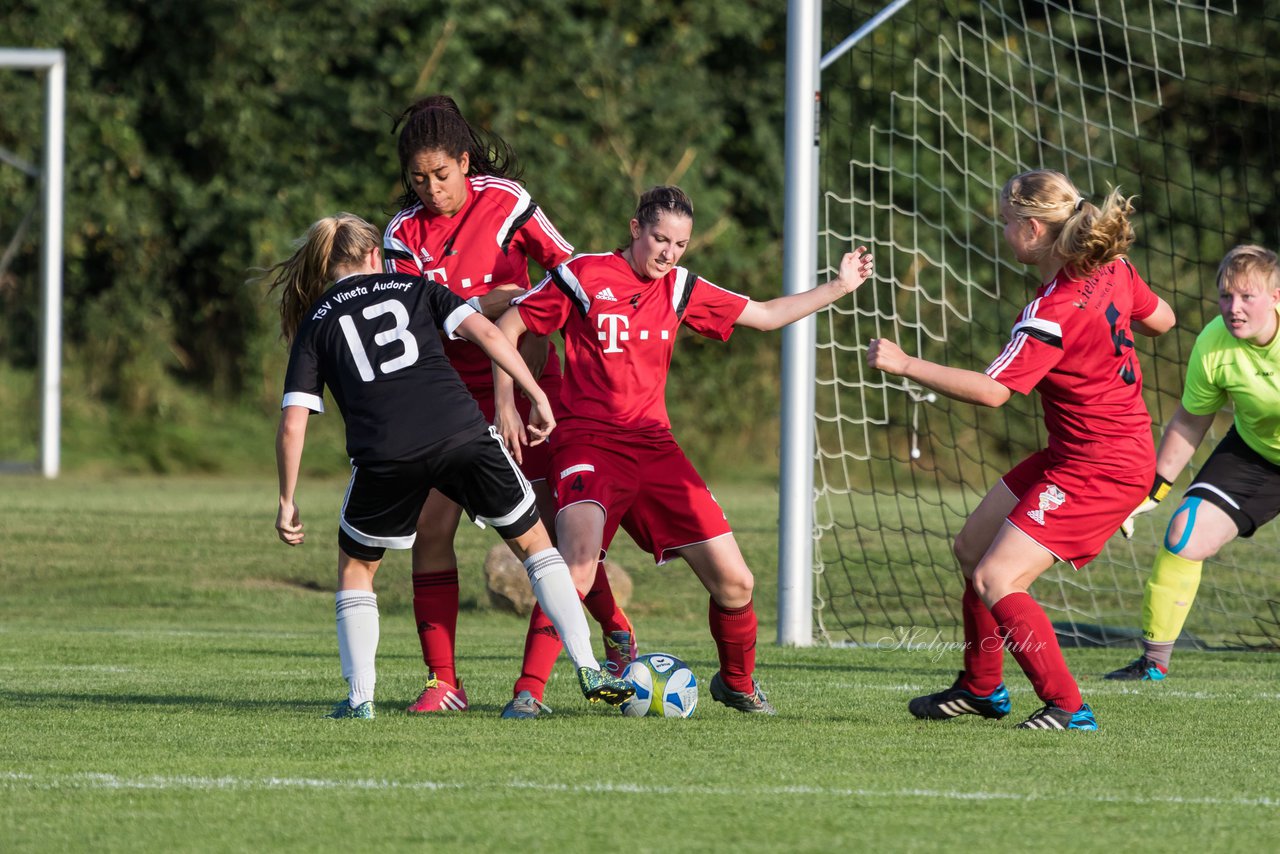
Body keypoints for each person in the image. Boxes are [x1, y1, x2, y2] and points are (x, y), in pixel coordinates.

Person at [493, 185, 876, 715]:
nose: (669, 253)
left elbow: (763, 315)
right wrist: (507, 403)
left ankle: (737, 682)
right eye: (660, 239)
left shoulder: (679, 288)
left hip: (654, 447)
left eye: (680, 244)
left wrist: (838, 285)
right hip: (588, 442)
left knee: (737, 583)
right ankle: (528, 694)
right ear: (635, 230)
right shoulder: (585, 274)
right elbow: (510, 325)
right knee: (577, 567)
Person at [266, 212, 632, 718]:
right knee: (536, 547)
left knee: (357, 568)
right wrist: (533, 394)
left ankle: (360, 700)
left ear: (329, 264)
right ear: (376, 256)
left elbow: (293, 423)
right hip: (462, 434)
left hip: (386, 456)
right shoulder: (415, 288)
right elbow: (488, 334)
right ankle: (588, 664)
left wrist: (287, 500)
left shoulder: (317, 320)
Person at [866, 169, 1176, 730]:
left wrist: (905, 363)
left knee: (997, 579)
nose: (1004, 232)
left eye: (1007, 222)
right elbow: (1164, 320)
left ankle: (1068, 706)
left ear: (1034, 229)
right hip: (1086, 450)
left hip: (1100, 466)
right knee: (972, 547)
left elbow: (992, 393)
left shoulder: (1050, 313)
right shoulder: (1116, 268)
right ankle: (981, 687)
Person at [383, 95, 637, 718]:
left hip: (528, 393)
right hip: (446, 401)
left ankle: (572, 661)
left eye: (441, 175)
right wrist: (499, 300)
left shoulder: (507, 201)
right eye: (418, 179)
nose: (431, 189)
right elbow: (423, 326)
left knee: (548, 535)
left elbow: (571, 276)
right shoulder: (400, 234)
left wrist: (517, 311)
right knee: (432, 532)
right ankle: (445, 682)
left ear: (465, 162)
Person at [1106, 244, 1280, 681]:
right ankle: (1153, 663)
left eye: (1247, 297)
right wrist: (1153, 488)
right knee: (1185, 533)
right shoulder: (1213, 343)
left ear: (1276, 297)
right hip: (1256, 453)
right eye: (1225, 296)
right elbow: (1190, 420)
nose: (1233, 308)